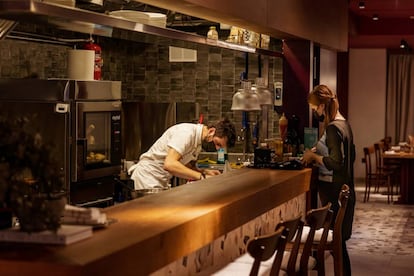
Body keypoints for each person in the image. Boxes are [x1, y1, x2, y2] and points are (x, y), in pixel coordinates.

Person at [302, 84, 356, 276]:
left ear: (322, 106)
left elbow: (336, 162)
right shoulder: (344, 124)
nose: (315, 112)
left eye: (315, 108)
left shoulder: (333, 128)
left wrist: (314, 157)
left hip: (334, 192)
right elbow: (349, 156)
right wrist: (318, 150)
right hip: (344, 189)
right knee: (337, 245)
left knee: (337, 245)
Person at [128, 118, 236, 190]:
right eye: (218, 144)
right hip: (147, 177)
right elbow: (170, 164)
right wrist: (202, 177)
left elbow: (185, 164)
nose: (217, 149)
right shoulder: (186, 133)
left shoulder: (197, 142)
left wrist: (205, 171)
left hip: (161, 179)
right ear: (211, 131)